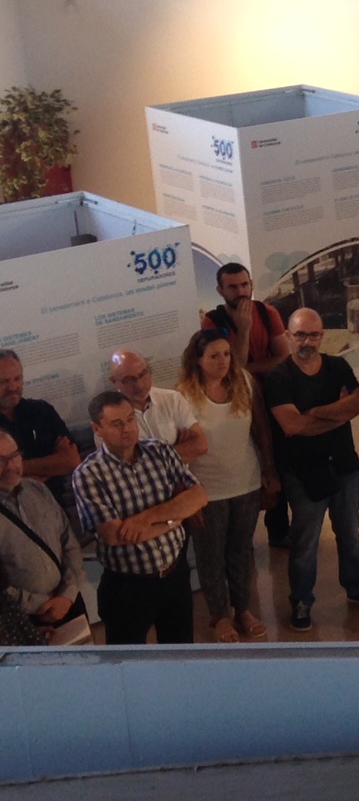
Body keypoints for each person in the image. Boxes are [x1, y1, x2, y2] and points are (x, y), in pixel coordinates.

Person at [262, 308, 359, 631]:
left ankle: (357, 588)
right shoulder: (278, 378)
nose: (307, 342)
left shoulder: (337, 366)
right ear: (288, 337)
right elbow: (292, 426)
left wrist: (313, 413)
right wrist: (337, 412)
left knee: (351, 534)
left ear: (322, 336)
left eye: (314, 335)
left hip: (344, 466)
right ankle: (301, 601)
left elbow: (357, 404)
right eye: (300, 335)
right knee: (305, 542)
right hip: (303, 473)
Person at [71, 392, 206, 645]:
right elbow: (114, 535)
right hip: (128, 587)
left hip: (174, 575)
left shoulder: (160, 450)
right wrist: (174, 518)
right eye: (116, 424)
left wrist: (145, 518)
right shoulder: (88, 474)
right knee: (128, 657)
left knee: (180, 651)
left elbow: (198, 496)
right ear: (97, 429)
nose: (128, 429)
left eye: (130, 419)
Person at [176, 329, 277, 642]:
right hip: (206, 491)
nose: (222, 361)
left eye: (226, 354)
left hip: (245, 482)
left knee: (241, 551)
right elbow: (179, 452)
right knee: (210, 556)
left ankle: (243, 609)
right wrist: (185, 498)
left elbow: (261, 428)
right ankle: (219, 616)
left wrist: (269, 470)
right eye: (214, 356)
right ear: (197, 359)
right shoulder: (182, 396)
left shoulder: (244, 381)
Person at [202, 261, 292, 545]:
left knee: (276, 457)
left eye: (244, 284)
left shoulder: (267, 313)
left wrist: (246, 370)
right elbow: (230, 370)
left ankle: (279, 528)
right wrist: (243, 330)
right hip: (236, 405)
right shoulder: (212, 323)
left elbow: (283, 357)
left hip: (271, 398)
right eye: (233, 287)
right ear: (220, 290)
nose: (241, 292)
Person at [0, 430, 87, 642]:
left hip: (70, 604)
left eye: (14, 456)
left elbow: (69, 543)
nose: (10, 466)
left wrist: (67, 594)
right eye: (0, 461)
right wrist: (40, 605)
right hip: (20, 621)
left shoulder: (38, 490)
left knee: (86, 661)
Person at [0, 348, 82, 517]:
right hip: (9, 516)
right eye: (3, 382)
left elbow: (71, 461)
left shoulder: (41, 410)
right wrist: (51, 465)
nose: (13, 387)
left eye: (17, 379)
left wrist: (14, 469)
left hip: (55, 509)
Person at [106, 349, 208, 463]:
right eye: (129, 380)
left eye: (143, 374)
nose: (139, 385)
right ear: (114, 381)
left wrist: (145, 461)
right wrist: (176, 450)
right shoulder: (108, 417)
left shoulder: (172, 399)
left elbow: (201, 445)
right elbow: (122, 466)